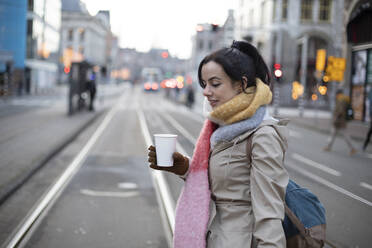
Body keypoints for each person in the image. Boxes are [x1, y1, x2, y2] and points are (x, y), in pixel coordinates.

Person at [148, 40, 289, 247]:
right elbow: (228, 182)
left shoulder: (262, 135)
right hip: (213, 236)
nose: (206, 92)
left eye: (215, 84)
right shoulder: (221, 127)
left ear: (241, 84)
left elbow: (270, 215)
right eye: (204, 84)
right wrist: (186, 168)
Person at [323, 89, 357, 155]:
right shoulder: (345, 99)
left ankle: (352, 148)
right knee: (333, 133)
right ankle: (328, 146)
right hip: (341, 120)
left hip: (339, 120)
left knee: (344, 134)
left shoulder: (340, 100)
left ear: (338, 94)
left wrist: (336, 118)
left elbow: (340, 110)